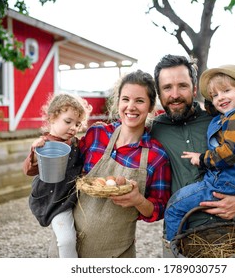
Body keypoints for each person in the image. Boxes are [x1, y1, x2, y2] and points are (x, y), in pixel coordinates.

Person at [150, 54, 235, 256]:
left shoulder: (223, 120)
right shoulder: (154, 130)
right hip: (184, 237)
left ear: (194, 88)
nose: (175, 94)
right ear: (159, 93)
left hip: (233, 231)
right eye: (167, 87)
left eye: (183, 86)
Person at [72, 69, 171, 257]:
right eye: (125, 99)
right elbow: (67, 165)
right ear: (118, 102)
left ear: (151, 107)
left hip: (116, 254)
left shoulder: (156, 156)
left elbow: (159, 208)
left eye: (139, 101)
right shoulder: (97, 135)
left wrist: (138, 201)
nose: (131, 107)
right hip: (68, 246)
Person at [23, 93, 91, 258]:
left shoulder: (75, 143)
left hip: (71, 195)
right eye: (68, 122)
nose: (73, 128)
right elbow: (29, 170)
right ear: (52, 118)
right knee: (66, 239)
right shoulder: (44, 144)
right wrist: (34, 151)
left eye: (78, 124)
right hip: (53, 199)